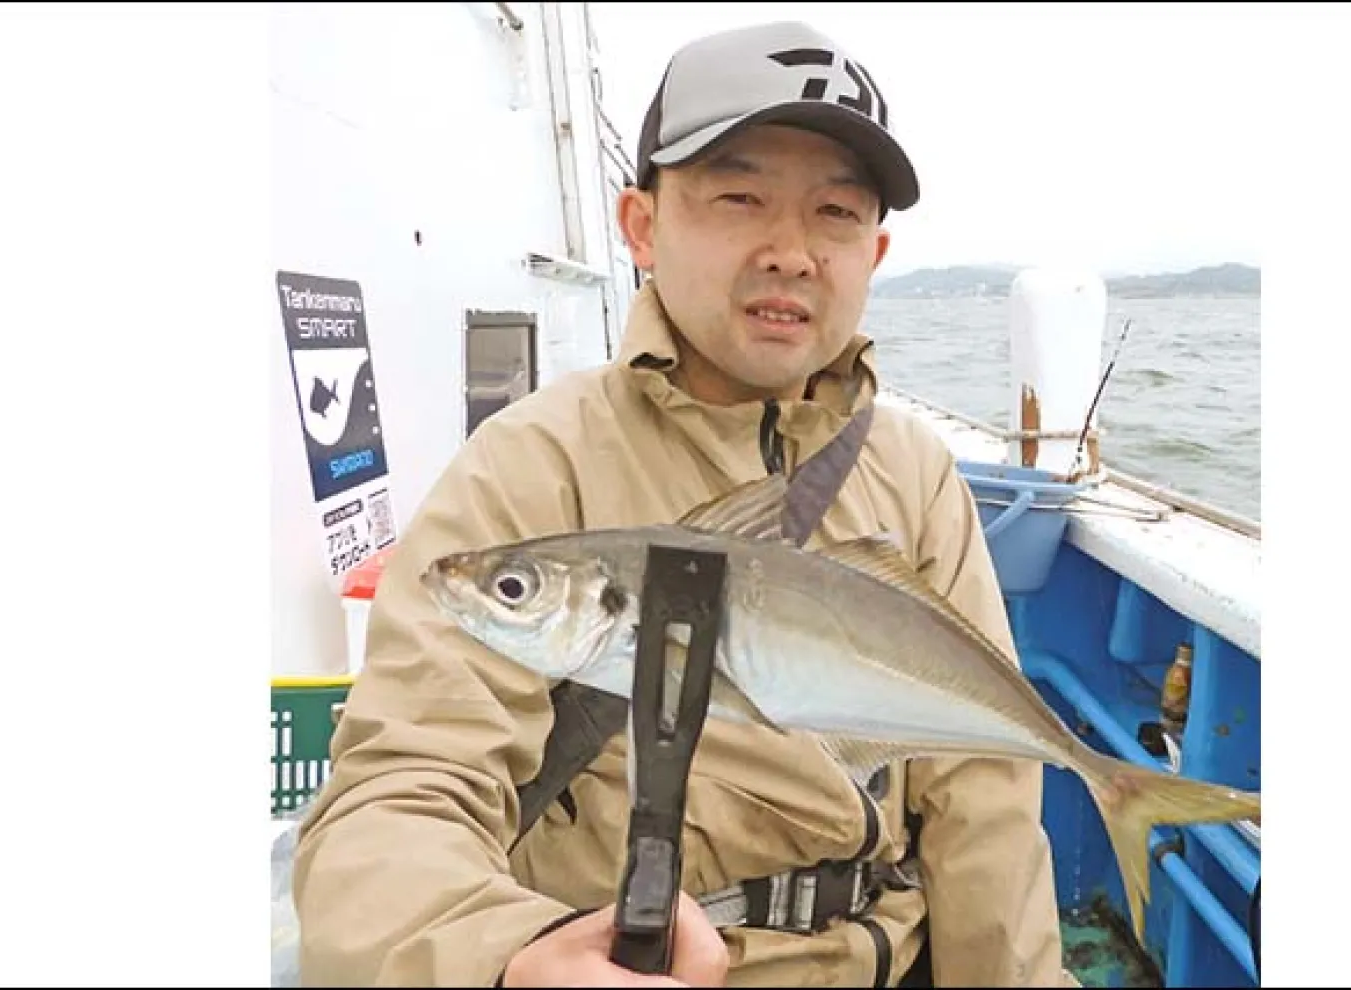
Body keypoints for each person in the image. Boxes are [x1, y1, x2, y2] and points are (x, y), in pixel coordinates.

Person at [291, 19, 1079, 989]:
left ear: (873, 254)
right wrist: (502, 954)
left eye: (835, 214)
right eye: (740, 197)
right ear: (642, 225)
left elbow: (981, 802)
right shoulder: (535, 460)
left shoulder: (910, 470)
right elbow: (402, 789)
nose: (791, 251)